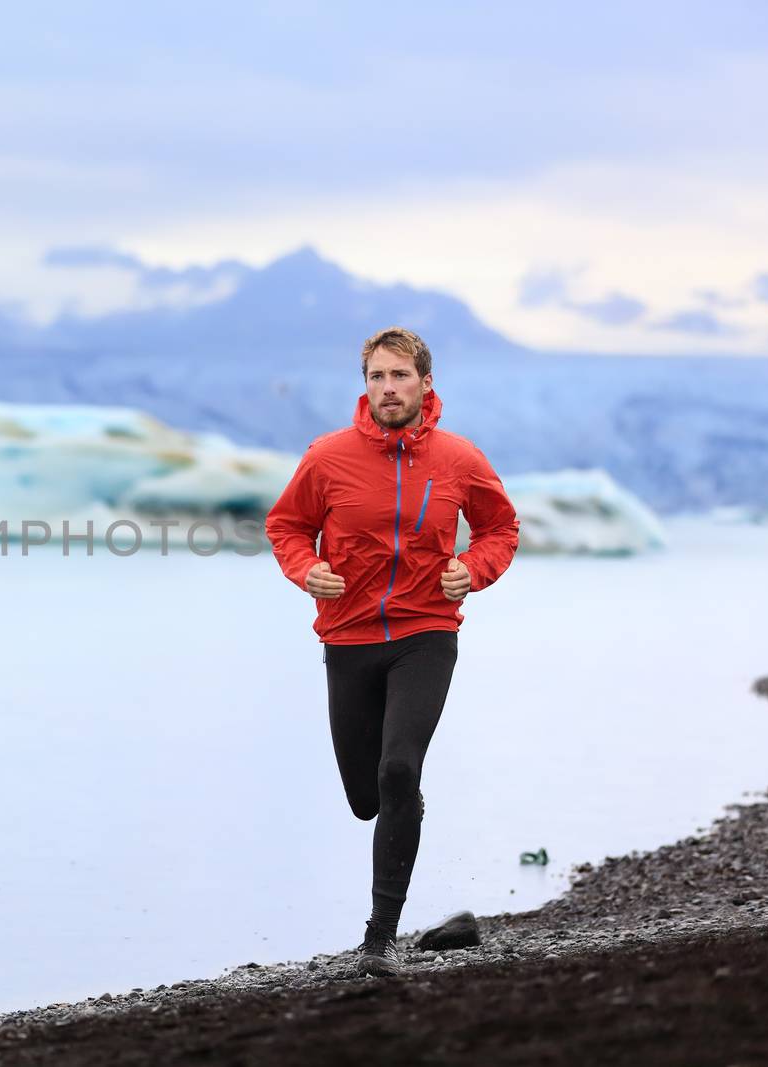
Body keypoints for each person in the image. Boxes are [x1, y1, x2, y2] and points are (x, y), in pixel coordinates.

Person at [263, 326, 520, 978]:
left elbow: (499, 526)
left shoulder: (459, 459)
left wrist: (474, 567)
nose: (388, 388)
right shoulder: (328, 457)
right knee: (365, 796)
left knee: (398, 769)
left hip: (426, 633)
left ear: (425, 384)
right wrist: (306, 569)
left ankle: (379, 939)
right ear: (366, 385)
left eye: (400, 375)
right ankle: (399, 807)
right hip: (347, 638)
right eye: (377, 376)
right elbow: (286, 525)